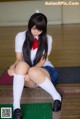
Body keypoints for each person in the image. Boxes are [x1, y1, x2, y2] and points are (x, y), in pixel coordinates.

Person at [8, 12, 62, 119]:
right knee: (21, 66)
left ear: (44, 29)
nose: (36, 32)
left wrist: (30, 73)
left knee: (33, 71)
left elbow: (43, 60)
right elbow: (19, 59)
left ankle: (57, 97)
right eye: (34, 29)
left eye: (40, 30)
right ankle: (16, 106)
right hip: (27, 72)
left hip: (43, 70)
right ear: (29, 25)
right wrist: (12, 66)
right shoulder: (20, 36)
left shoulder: (48, 38)